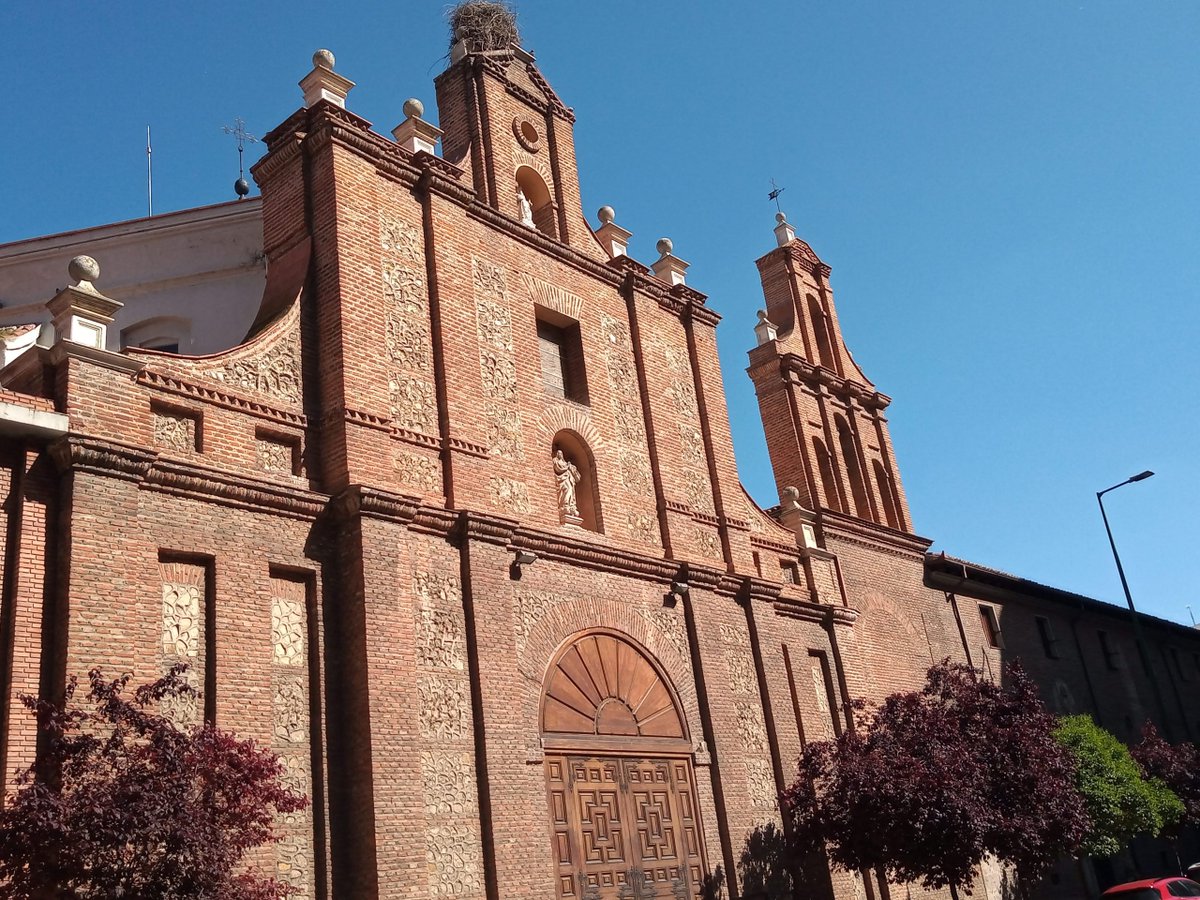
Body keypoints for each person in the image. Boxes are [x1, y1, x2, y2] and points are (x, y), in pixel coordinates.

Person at [553, 449, 580, 518]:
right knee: (567, 489)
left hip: (569, 479)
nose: (560, 454)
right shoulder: (556, 461)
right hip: (563, 480)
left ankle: (570, 505)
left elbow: (577, 476)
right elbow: (557, 469)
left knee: (571, 490)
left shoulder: (565, 463)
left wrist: (570, 467)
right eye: (559, 453)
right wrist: (567, 467)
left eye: (561, 453)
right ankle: (564, 504)